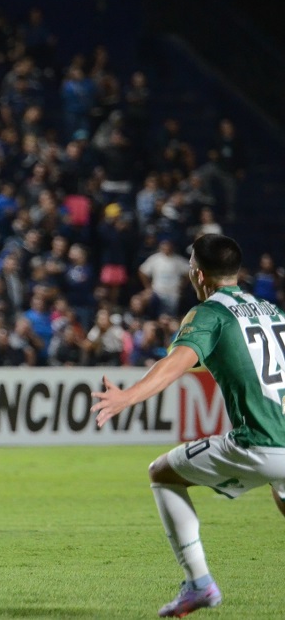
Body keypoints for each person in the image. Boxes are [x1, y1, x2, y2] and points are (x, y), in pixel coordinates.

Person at [91, 233, 285, 617]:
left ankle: (199, 584)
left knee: (162, 472)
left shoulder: (210, 313)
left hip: (260, 442)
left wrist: (127, 397)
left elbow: (176, 363)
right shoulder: (271, 310)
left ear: (198, 274)